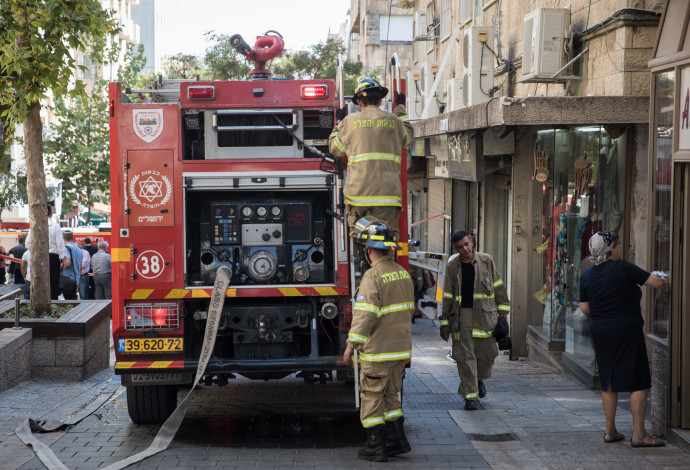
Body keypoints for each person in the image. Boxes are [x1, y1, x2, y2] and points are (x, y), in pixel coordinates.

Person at [579, 231, 668, 447]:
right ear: (611, 249)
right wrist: (665, 277)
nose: (620, 248)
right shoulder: (623, 268)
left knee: (608, 380)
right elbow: (656, 283)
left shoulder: (588, 275)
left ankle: (610, 430)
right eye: (618, 244)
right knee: (637, 379)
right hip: (626, 329)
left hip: (601, 330)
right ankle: (639, 434)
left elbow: (584, 307)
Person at [342, 217, 415, 462]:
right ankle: (397, 441)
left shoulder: (373, 277)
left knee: (372, 396)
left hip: (378, 351)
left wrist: (351, 345)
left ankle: (375, 446)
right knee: (391, 395)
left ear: (369, 250)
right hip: (400, 350)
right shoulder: (403, 274)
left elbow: (366, 315)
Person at [329, 78, 413, 239]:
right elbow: (408, 139)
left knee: (361, 237)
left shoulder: (349, 122)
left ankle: (364, 259)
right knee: (385, 239)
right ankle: (383, 262)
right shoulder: (394, 121)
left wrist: (338, 122)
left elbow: (335, 149)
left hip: (358, 198)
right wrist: (401, 109)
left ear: (359, 101)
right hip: (388, 198)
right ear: (380, 100)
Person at [440, 230, 510, 410]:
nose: (464, 249)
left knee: (486, 357)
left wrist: (503, 315)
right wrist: (444, 322)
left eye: (466, 244)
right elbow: (447, 295)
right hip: (462, 319)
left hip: (486, 317)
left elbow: (498, 288)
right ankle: (471, 397)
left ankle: (479, 380)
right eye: (460, 247)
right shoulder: (452, 266)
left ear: (471, 243)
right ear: (455, 248)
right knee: (465, 358)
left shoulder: (486, 260)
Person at [26, 205, 66, 300]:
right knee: (53, 283)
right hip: (52, 257)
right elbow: (60, 244)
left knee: (39, 281)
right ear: (51, 214)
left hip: (39, 257)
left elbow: (28, 243)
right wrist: (63, 257)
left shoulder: (35, 226)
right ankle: (53, 303)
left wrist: (34, 251)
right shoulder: (55, 227)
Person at [60, 231, 82, 300]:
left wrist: (57, 267)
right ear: (72, 238)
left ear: (62, 238)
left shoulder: (66, 248)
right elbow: (80, 267)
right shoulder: (79, 250)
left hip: (67, 279)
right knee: (72, 300)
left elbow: (67, 263)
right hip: (75, 279)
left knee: (68, 301)